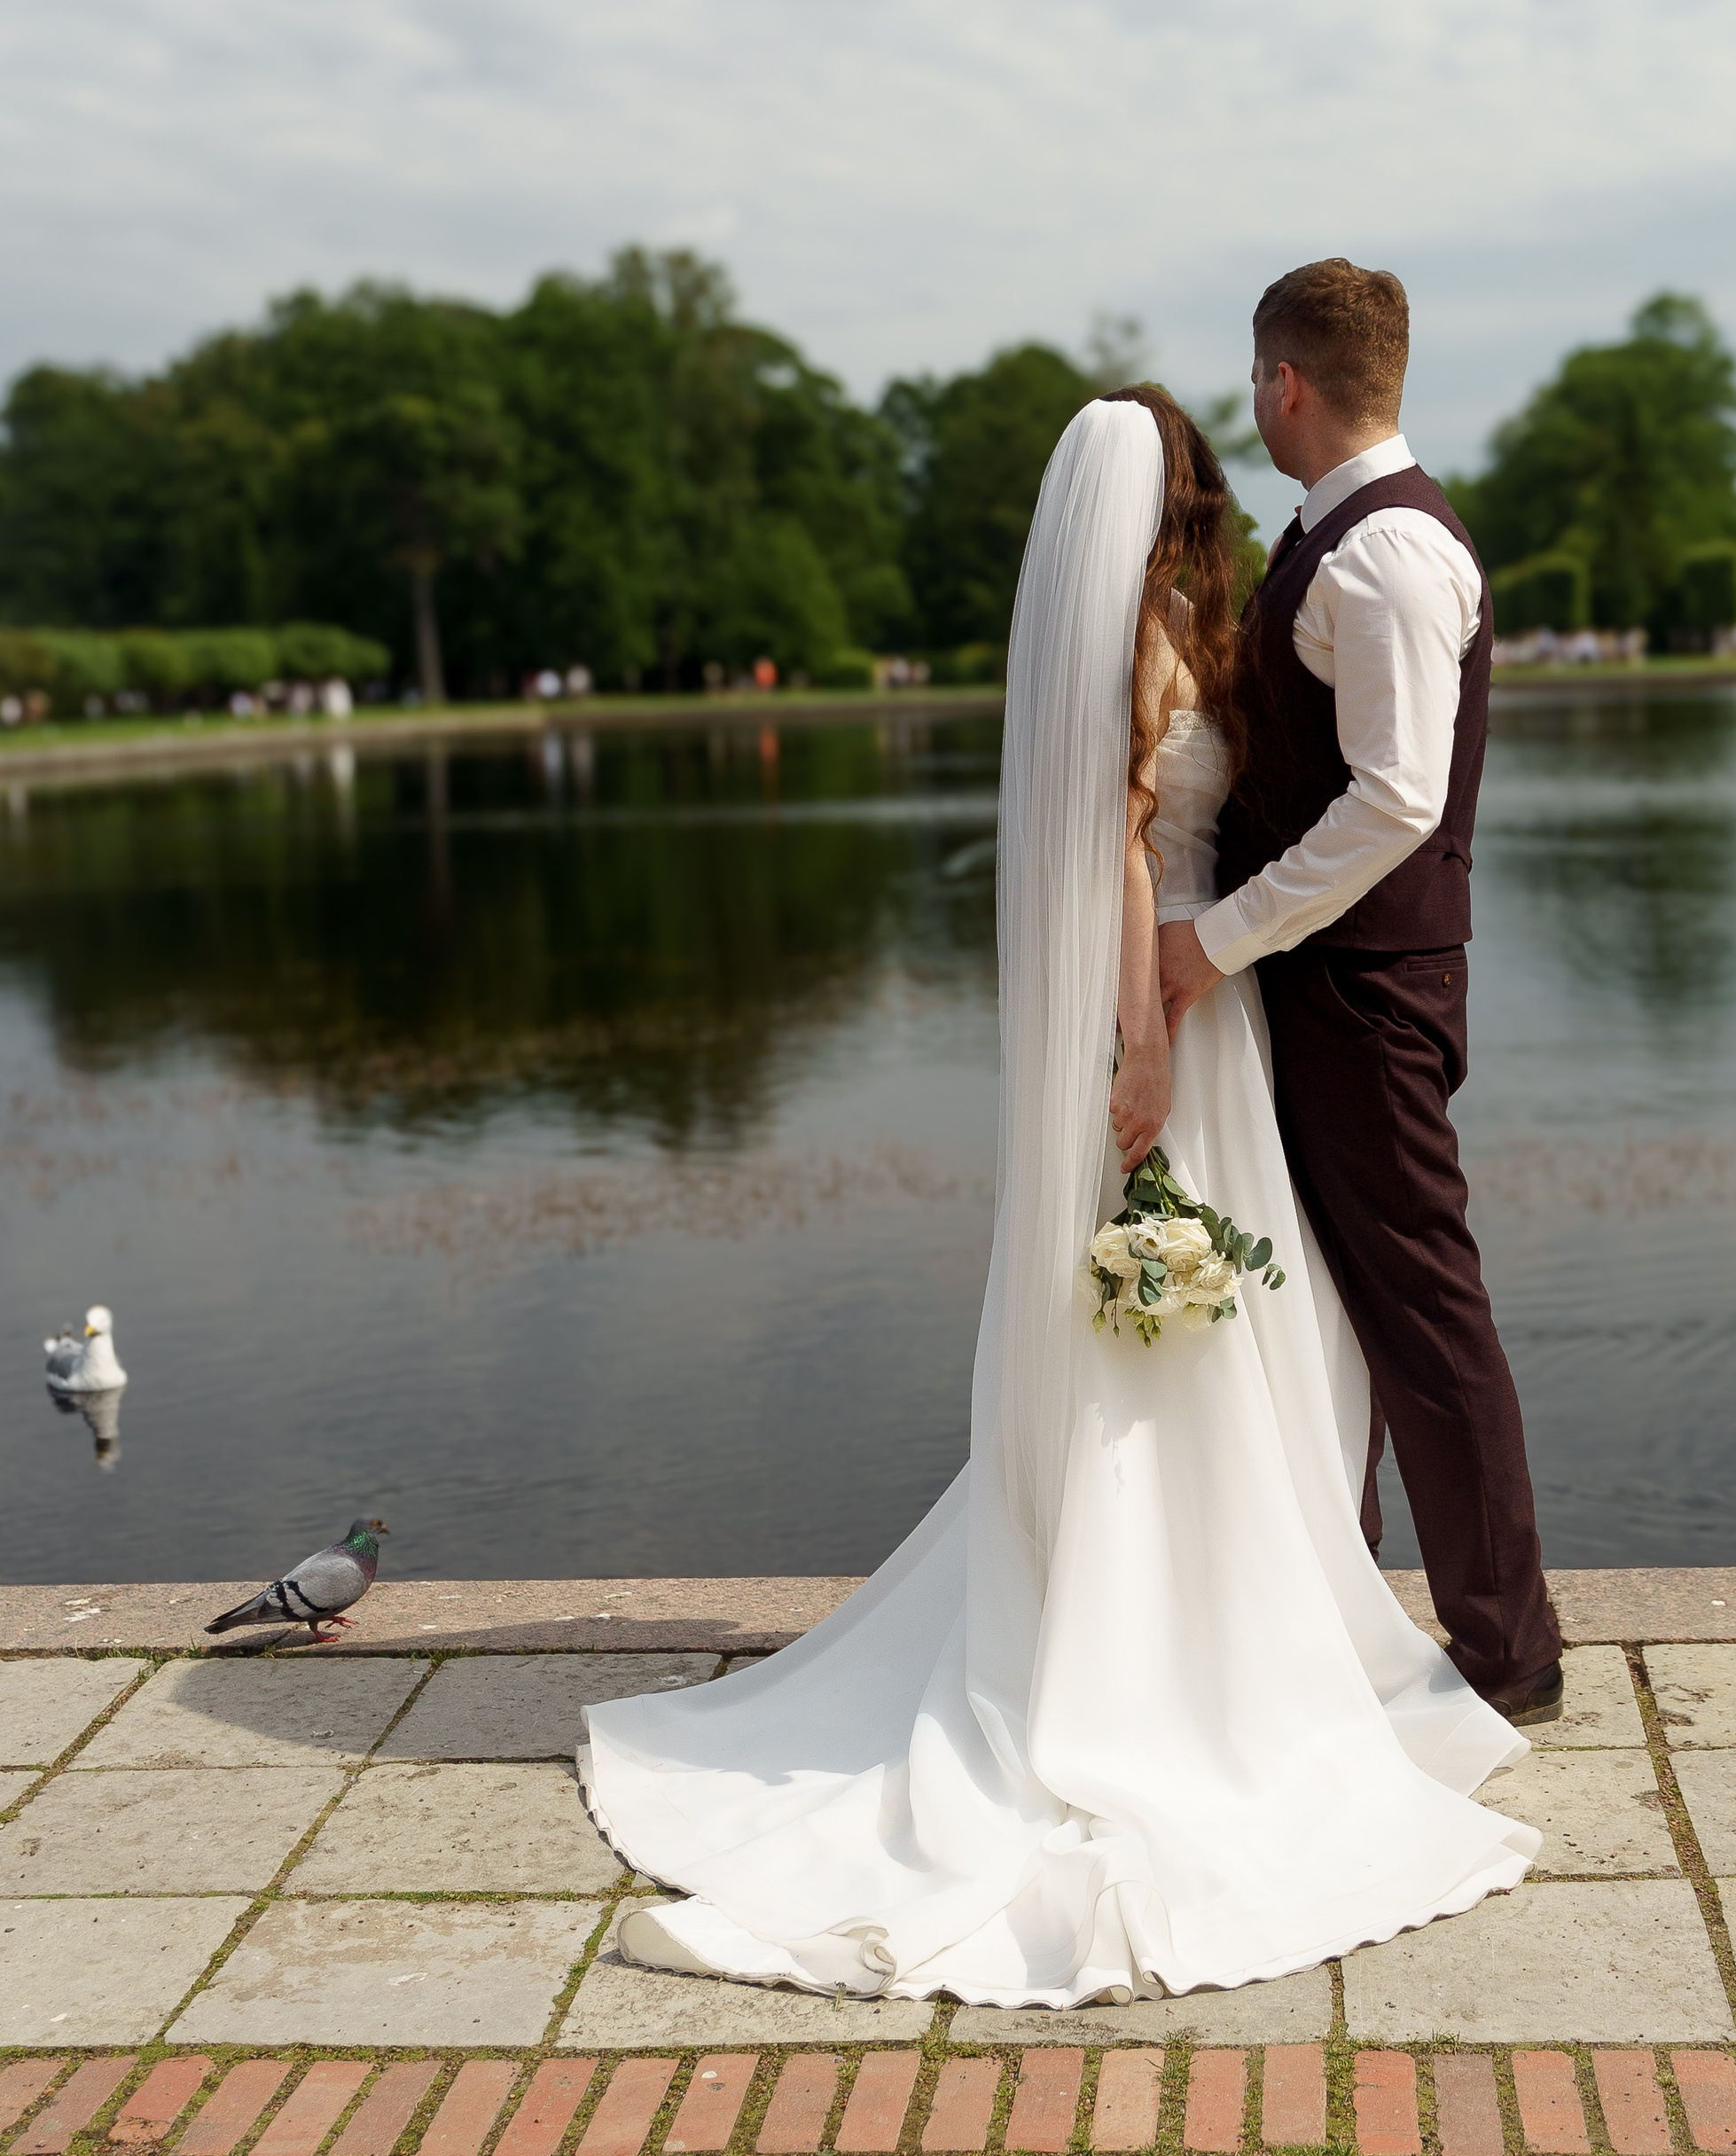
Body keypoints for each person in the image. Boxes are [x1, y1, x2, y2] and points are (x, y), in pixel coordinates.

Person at [582, 382, 1537, 2008]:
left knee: (1256, 1319)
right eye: (1186, 478)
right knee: (1217, 1322)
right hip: (1175, 1007)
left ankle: (1247, 1603)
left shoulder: (1156, 625)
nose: (1211, 484)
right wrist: (1145, 1045)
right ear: (1154, 501)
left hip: (1201, 998)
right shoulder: (1146, 646)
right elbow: (1119, 853)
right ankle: (1183, 1636)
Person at [1156, 260, 1562, 1722]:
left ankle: (1507, 1656)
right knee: (1343, 1309)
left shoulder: (1388, 554)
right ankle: (1348, 1610)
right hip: (1325, 979)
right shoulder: (1333, 539)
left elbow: (1394, 801)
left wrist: (1218, 938)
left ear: (1286, 384)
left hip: (1366, 990)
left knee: (1421, 1309)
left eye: (1254, 381)